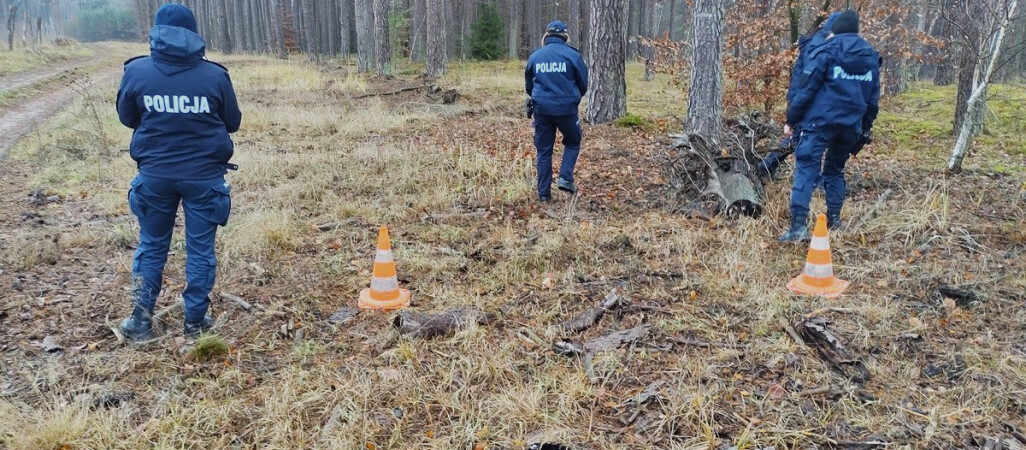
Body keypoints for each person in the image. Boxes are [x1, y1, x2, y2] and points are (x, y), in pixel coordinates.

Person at [116, 4, 242, 340]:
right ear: (194, 34)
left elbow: (127, 117)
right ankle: (196, 323)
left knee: (152, 245)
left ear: (156, 33)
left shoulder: (136, 72)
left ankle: (140, 322)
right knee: (200, 249)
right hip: (204, 177)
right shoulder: (215, 76)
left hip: (155, 175)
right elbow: (233, 122)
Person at [779, 10, 879, 242]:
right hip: (849, 126)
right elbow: (872, 101)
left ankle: (797, 228)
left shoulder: (826, 50)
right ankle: (834, 221)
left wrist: (791, 120)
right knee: (835, 171)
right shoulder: (871, 57)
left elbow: (807, 90)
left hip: (818, 123)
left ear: (836, 30)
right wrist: (863, 128)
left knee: (806, 169)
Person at [759, 12, 841, 180]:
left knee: (800, 138)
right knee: (806, 138)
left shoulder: (820, 41)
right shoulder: (821, 45)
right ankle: (811, 180)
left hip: (804, 98)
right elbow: (808, 79)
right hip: (806, 98)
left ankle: (767, 166)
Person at [525, 21, 589, 202]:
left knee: (544, 151)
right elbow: (583, 84)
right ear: (565, 36)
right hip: (567, 110)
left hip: (541, 110)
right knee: (573, 141)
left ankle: (544, 195)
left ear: (547, 35)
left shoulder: (535, 56)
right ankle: (565, 178)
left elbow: (529, 86)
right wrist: (572, 99)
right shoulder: (573, 56)